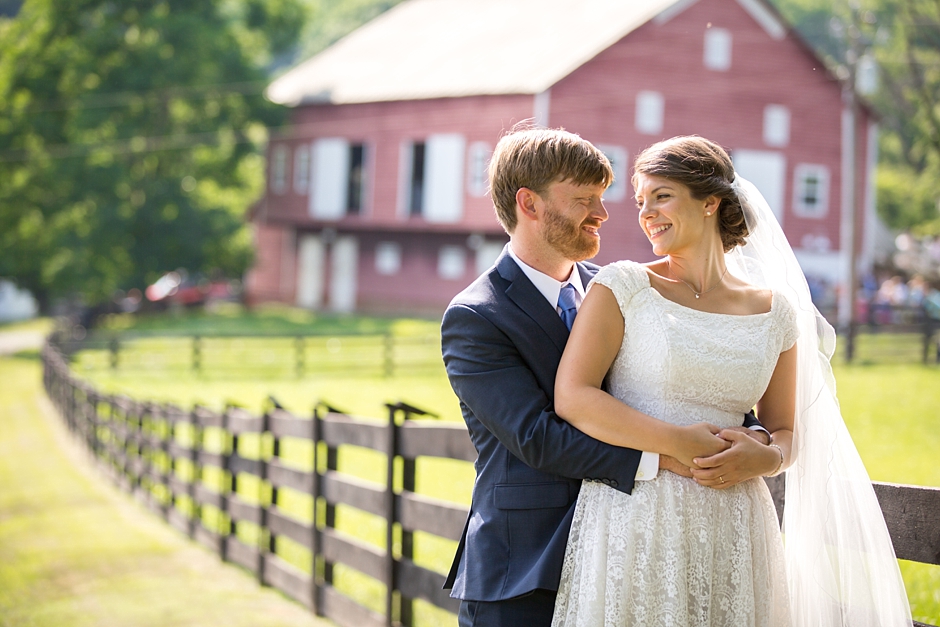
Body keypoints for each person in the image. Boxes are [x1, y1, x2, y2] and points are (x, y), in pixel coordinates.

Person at [550, 136, 911, 626]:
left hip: (737, 524)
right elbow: (574, 397)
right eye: (641, 201)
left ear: (711, 202)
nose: (646, 213)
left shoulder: (775, 312)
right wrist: (677, 443)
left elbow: (784, 428)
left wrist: (771, 456)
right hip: (636, 517)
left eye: (662, 195)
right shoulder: (623, 286)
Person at [440, 127, 778, 627]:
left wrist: (754, 437)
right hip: (525, 570)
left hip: (633, 557)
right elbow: (538, 438)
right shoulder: (477, 315)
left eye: (603, 198)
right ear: (529, 204)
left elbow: (685, 382)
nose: (603, 214)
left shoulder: (623, 289)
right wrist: (668, 455)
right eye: (584, 200)